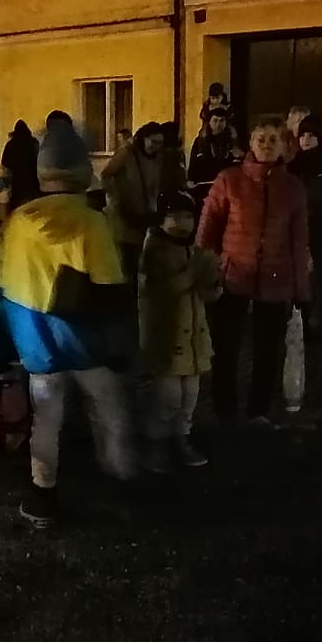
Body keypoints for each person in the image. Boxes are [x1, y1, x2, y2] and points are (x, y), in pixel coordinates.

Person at [0, 122, 138, 529]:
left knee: (46, 417)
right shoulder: (92, 222)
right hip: (85, 340)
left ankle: (42, 496)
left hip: (37, 343)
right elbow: (109, 286)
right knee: (107, 407)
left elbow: (2, 281)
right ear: (82, 171)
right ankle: (119, 482)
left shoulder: (18, 220)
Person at [197, 115, 310, 426]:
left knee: (267, 350)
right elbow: (208, 230)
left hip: (275, 277)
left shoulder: (292, 188)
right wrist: (205, 273)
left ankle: (258, 409)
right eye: (261, 139)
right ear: (250, 142)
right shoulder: (229, 180)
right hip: (233, 275)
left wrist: (301, 289)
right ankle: (225, 410)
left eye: (273, 140)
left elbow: (299, 241)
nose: (266, 145)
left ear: (284, 146)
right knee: (226, 347)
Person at [139, 189, 221, 473]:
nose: (182, 222)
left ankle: (181, 439)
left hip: (194, 338)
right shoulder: (154, 251)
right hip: (168, 337)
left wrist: (213, 279)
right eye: (174, 216)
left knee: (190, 397)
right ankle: (156, 444)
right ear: (161, 219)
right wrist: (195, 271)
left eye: (187, 216)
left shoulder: (192, 250)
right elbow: (164, 291)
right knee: (168, 398)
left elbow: (208, 295)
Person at [291, 114, 322, 330]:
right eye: (302, 135)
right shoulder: (294, 165)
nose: (306, 140)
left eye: (311, 135)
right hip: (297, 224)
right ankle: (301, 315)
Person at [102, 121, 166, 287]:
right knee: (126, 261)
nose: (156, 146)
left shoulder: (157, 158)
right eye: (153, 141)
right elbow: (106, 175)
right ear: (143, 138)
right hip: (125, 213)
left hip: (145, 213)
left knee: (141, 261)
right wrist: (116, 198)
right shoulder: (126, 153)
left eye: (160, 143)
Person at [188, 107, 243, 206]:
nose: (218, 124)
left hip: (228, 188)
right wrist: (191, 179)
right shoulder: (201, 142)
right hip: (205, 187)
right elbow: (193, 162)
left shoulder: (233, 142)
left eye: (221, 121)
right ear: (209, 122)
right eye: (215, 120)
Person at [0, 120, 41, 212]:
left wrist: (6, 180)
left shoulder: (11, 144)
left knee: (15, 209)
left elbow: (5, 164)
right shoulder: (33, 143)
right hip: (33, 181)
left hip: (16, 182)